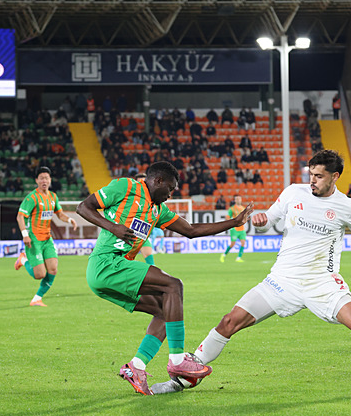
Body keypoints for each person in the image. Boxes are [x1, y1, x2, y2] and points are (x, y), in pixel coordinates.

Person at [150, 150, 351, 395]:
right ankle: (181, 380)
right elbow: (269, 219)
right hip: (281, 280)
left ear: (335, 177)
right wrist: (261, 221)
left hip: (322, 283)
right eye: (311, 174)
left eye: (319, 176)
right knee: (228, 322)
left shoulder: (346, 206)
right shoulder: (294, 192)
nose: (312, 180)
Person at [76, 161, 253, 396]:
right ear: (157, 181)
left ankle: (136, 366)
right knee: (173, 285)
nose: (170, 195)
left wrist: (234, 222)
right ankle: (178, 360)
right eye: (169, 189)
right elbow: (83, 207)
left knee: (164, 311)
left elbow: (190, 230)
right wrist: (113, 227)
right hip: (106, 263)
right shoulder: (125, 187)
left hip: (114, 271)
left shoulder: (157, 210)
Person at [13, 167, 78, 307]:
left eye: (46, 178)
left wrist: (69, 220)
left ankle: (37, 299)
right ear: (36, 180)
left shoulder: (53, 197)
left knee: (53, 269)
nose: (44, 181)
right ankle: (23, 259)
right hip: (34, 240)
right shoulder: (32, 197)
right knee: (40, 275)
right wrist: (25, 235)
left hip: (47, 239)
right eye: (41, 178)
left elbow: (60, 214)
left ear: (50, 180)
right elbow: (20, 217)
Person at [220, 194, 247, 263]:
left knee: (243, 243)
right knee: (232, 244)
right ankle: (224, 255)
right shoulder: (232, 209)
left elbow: (245, 217)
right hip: (235, 229)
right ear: (235, 200)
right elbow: (227, 217)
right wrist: (230, 223)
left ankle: (238, 258)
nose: (238, 200)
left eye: (239, 199)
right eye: (237, 199)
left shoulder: (243, 208)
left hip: (242, 229)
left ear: (241, 200)